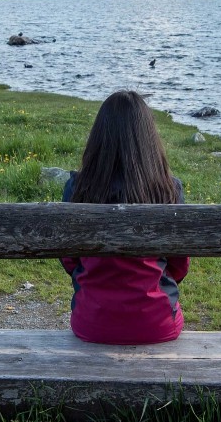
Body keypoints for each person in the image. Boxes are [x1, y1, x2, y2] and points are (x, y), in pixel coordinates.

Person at [59, 90, 188, 345]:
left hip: (92, 322)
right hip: (157, 323)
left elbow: (69, 259)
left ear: (98, 139)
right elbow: (178, 265)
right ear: (148, 139)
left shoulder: (78, 188)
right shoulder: (168, 190)